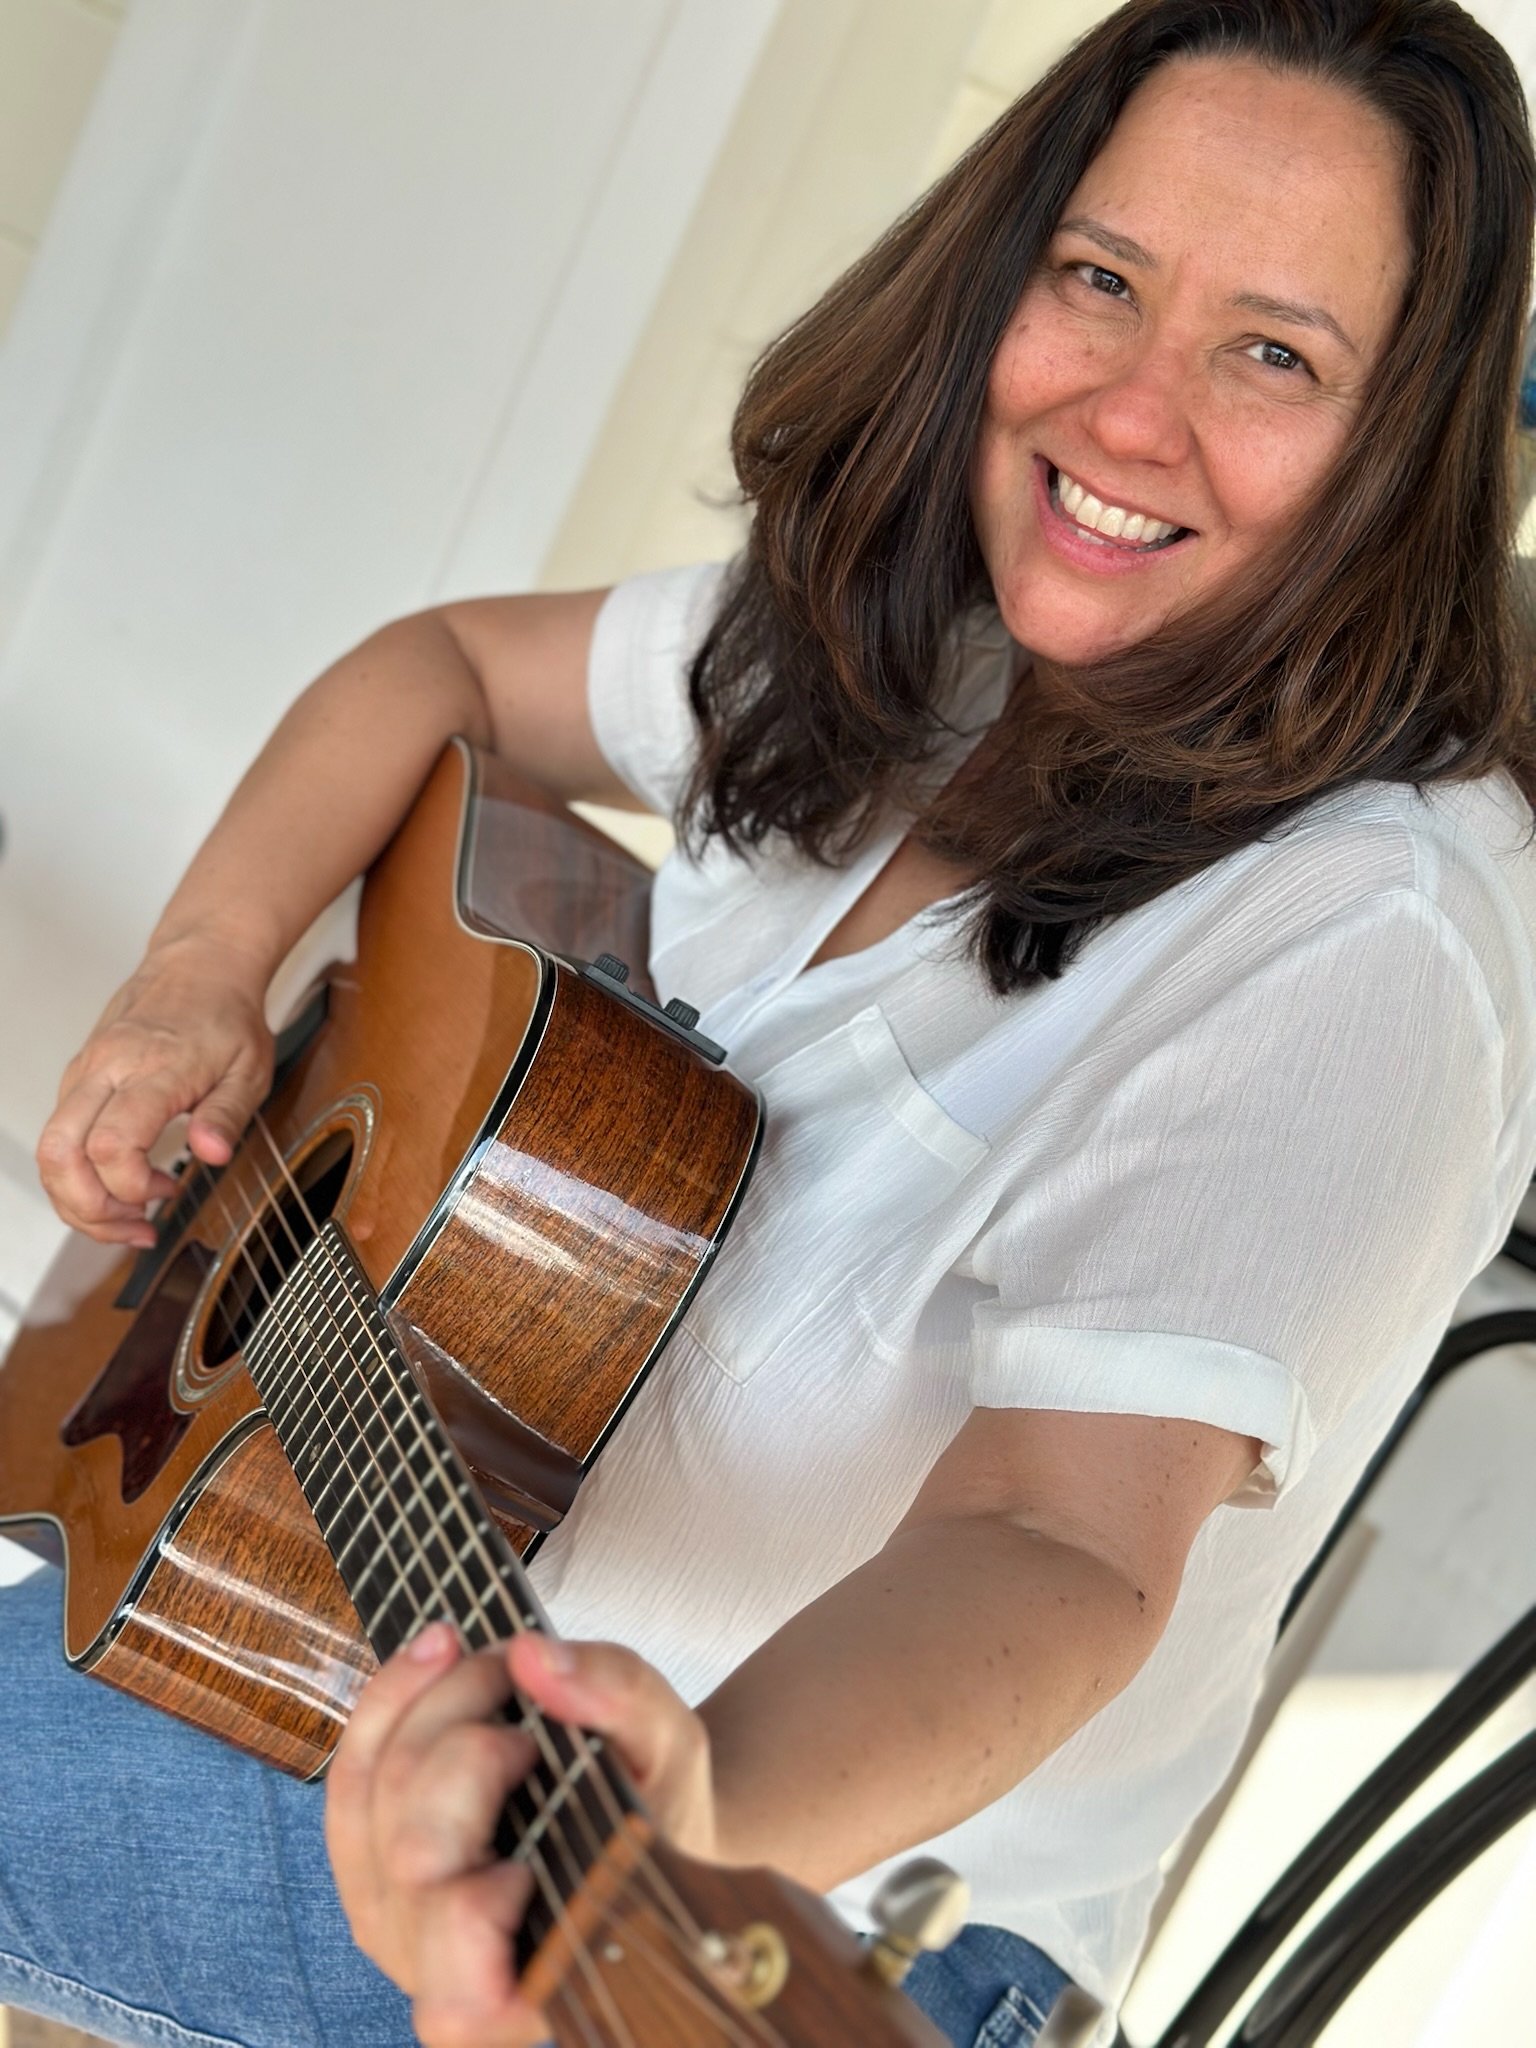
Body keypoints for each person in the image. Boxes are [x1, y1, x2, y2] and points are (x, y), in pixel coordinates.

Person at [8, 1, 1536, 2044]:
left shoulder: (1375, 929)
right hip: (389, 1601)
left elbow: (1064, 1542)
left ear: (1403, 453)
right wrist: (200, 974)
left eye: (1276, 354)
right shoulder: (943, 644)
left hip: (764, 1876)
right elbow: (443, 662)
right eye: (1101, 278)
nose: (1133, 413)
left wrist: (691, 1801)